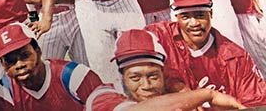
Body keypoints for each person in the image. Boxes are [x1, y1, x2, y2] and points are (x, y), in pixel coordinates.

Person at [145, 0, 266, 107]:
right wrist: (177, 86)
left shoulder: (236, 57)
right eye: (185, 16)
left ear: (211, 14)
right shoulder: (158, 36)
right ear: (177, 18)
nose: (194, 23)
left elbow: (255, 101)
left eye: (200, 15)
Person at [85, 29, 246, 111]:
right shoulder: (101, 96)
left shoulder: (170, 95)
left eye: (153, 76)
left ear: (163, 73)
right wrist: (208, 94)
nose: (146, 85)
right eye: (135, 78)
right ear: (121, 77)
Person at [0, 22, 102, 111]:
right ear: (3, 65)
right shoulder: (5, 91)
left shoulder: (75, 76)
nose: (20, 65)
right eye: (10, 61)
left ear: (38, 51)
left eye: (25, 56)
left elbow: (107, 105)